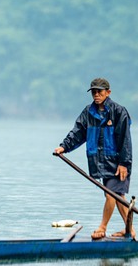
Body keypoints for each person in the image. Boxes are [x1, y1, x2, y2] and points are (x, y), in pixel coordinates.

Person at [53, 78, 133, 240]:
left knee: (111, 194)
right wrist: (64, 147)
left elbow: (125, 139)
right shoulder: (88, 112)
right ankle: (130, 231)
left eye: (100, 92)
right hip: (101, 162)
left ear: (108, 92)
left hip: (118, 162)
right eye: (94, 92)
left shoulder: (118, 111)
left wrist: (124, 163)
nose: (96, 95)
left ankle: (102, 227)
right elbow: (78, 132)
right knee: (118, 197)